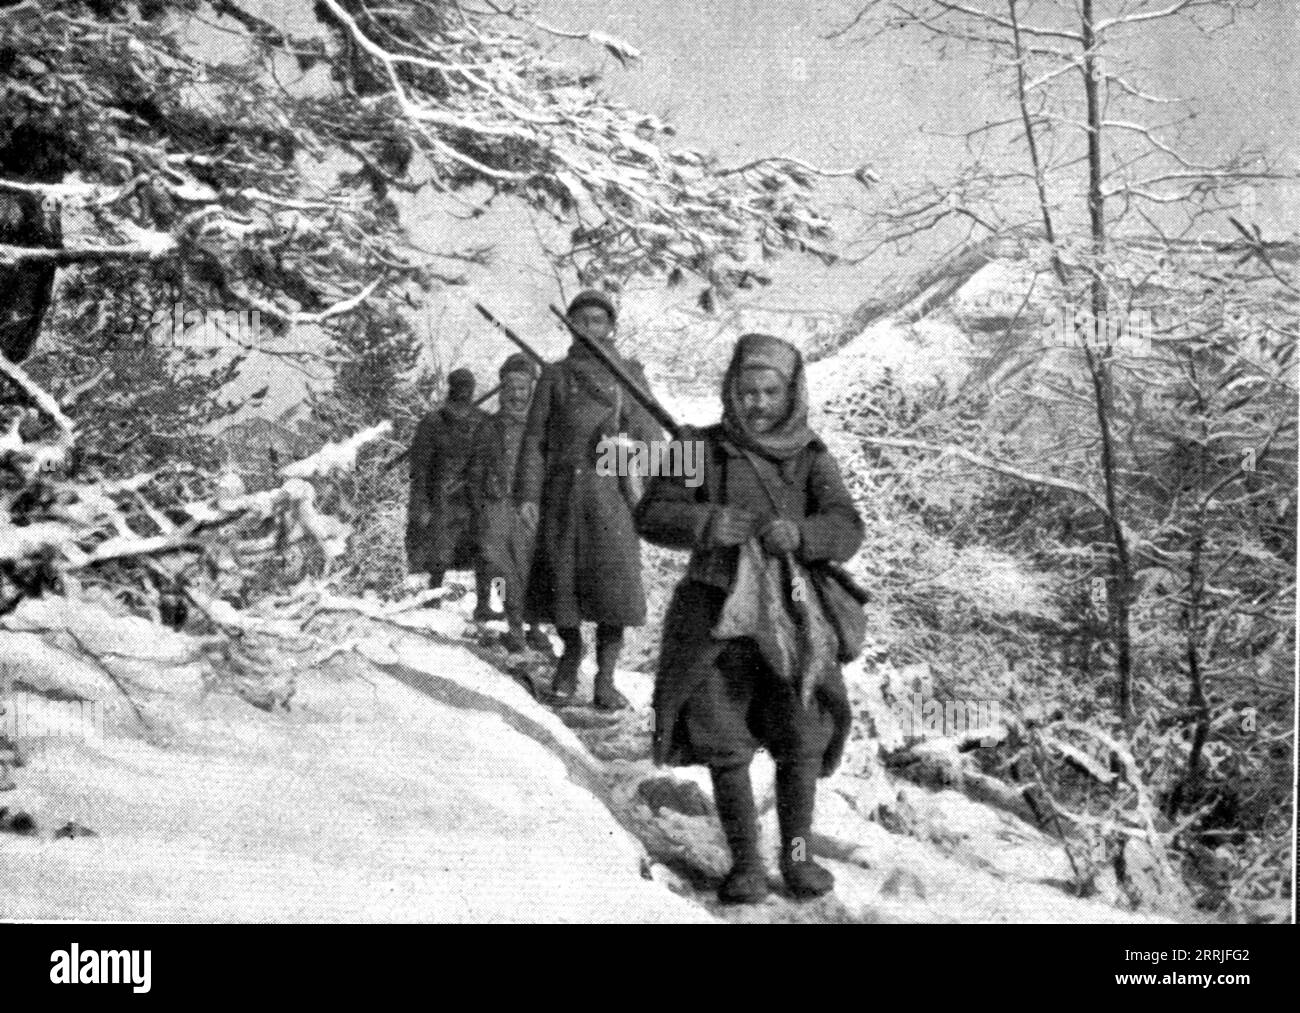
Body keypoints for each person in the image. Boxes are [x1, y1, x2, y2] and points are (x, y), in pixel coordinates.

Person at [633, 333, 864, 904]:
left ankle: (799, 859)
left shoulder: (812, 455)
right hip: (714, 615)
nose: (758, 403)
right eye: (747, 390)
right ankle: (746, 865)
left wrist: (805, 536)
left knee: (801, 742)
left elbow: (847, 526)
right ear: (731, 389)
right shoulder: (697, 447)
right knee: (725, 744)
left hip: (792, 619)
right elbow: (651, 513)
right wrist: (707, 523)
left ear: (791, 394)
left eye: (770, 391)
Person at [513, 289, 660, 710]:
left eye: (599, 320)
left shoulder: (628, 374)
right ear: (571, 325)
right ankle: (571, 653)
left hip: (611, 497)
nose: (591, 327)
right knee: (562, 585)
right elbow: (535, 439)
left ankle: (607, 678)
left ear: (611, 326)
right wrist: (527, 494)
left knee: (613, 590)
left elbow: (653, 438)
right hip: (562, 495)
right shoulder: (556, 376)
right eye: (583, 320)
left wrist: (622, 447)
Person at [469, 353, 553, 654]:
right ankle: (514, 624)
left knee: (529, 565)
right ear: (502, 390)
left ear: (531, 390)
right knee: (497, 563)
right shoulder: (488, 426)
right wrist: (481, 496)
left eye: (522, 388)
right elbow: (475, 468)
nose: (516, 395)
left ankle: (534, 626)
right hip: (495, 507)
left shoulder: (543, 428)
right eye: (511, 388)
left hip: (529, 507)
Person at [406, 367, 490, 611]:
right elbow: (419, 465)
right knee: (439, 550)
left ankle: (485, 603)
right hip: (444, 493)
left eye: (468, 386)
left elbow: (491, 456)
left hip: (476, 492)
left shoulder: (483, 421)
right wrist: (420, 500)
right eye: (460, 386)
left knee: (486, 549)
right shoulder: (432, 422)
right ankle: (433, 596)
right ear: (452, 387)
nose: (465, 391)